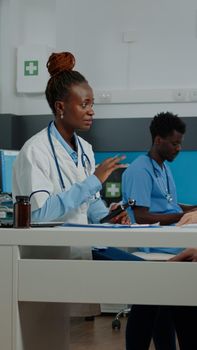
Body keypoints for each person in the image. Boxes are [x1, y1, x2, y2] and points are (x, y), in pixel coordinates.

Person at [12, 51, 129, 350]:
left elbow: (89, 205)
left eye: (93, 104)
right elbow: (39, 215)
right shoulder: (34, 151)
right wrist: (94, 180)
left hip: (77, 252)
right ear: (61, 107)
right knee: (40, 334)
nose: (92, 111)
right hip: (46, 259)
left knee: (59, 337)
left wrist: (110, 215)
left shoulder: (86, 150)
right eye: (85, 104)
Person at [122, 112, 197, 350]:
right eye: (175, 143)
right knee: (153, 309)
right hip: (153, 251)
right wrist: (183, 216)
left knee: (174, 308)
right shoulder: (139, 170)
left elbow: (170, 204)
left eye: (180, 143)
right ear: (158, 140)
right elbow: (142, 216)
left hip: (171, 246)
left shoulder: (162, 167)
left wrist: (191, 208)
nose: (179, 148)